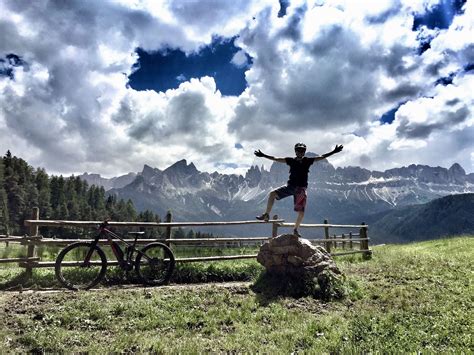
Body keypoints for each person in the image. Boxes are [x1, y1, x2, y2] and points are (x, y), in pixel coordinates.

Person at [254, 143, 343, 237]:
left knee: (301, 212)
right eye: (299, 150)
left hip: (301, 189)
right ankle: (266, 214)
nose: (300, 152)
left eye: (302, 151)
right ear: (295, 151)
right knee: (272, 194)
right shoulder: (291, 160)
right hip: (290, 186)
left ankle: (295, 229)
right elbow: (276, 158)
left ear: (304, 152)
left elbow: (321, 157)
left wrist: (334, 151)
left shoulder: (307, 160)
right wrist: (263, 155)